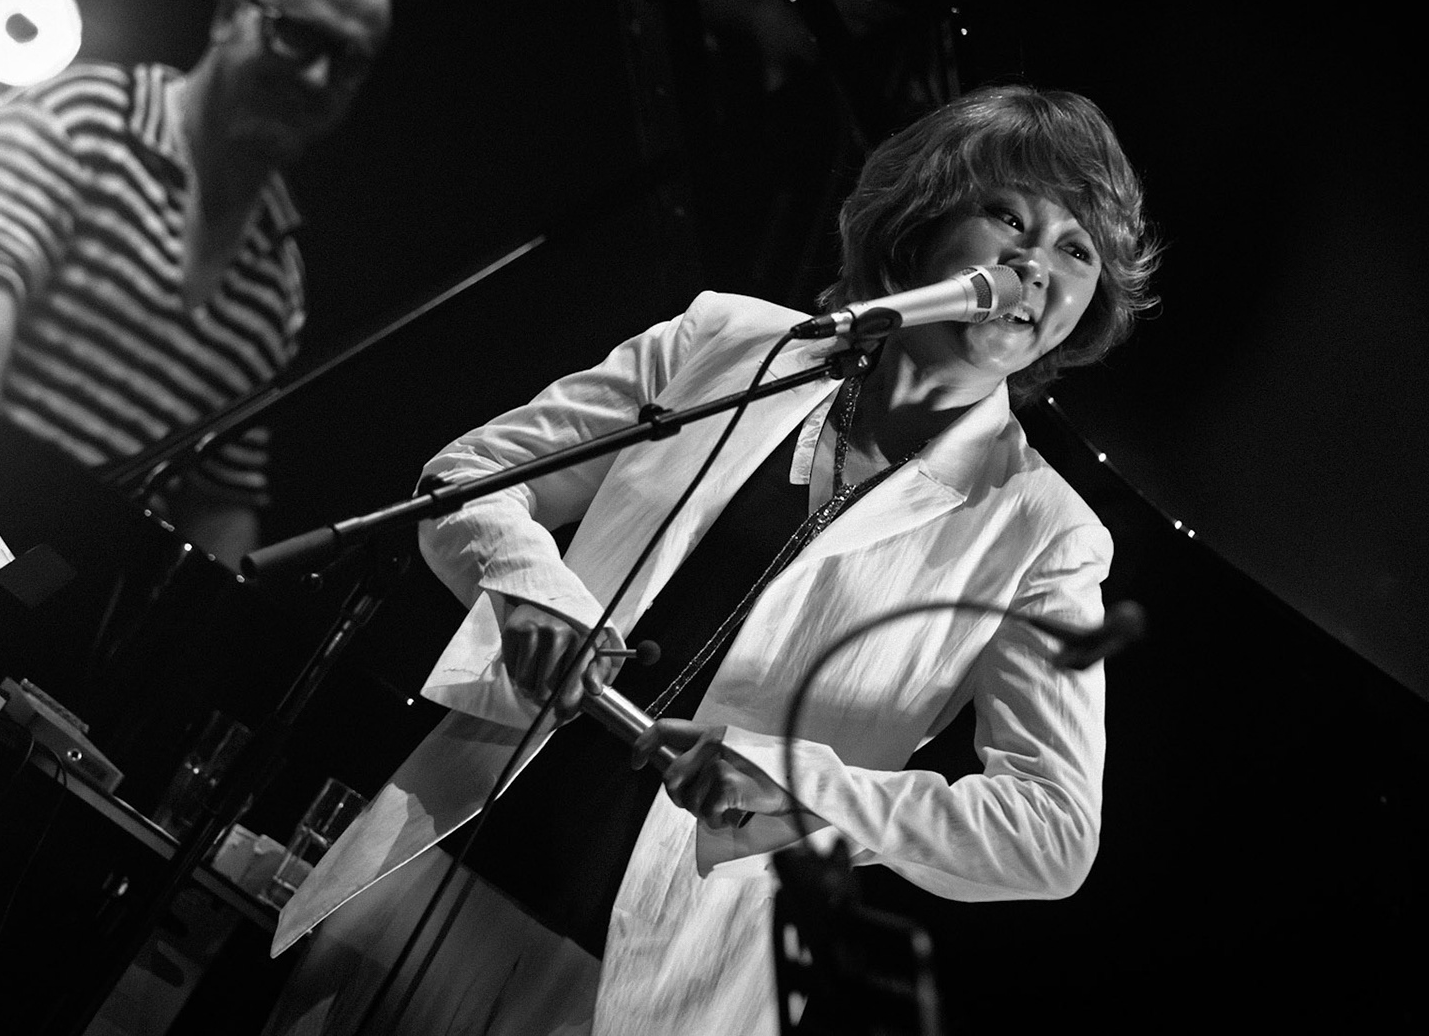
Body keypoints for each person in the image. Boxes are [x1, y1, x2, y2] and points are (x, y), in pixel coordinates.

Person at [262, 85, 1160, 1035]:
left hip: (657, 987)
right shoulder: (729, 344)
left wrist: (803, 784)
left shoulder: (1045, 534)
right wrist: (527, 590)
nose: (1034, 263)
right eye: (1008, 216)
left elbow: (1050, 832)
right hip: (436, 859)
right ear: (924, 221)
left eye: (1077, 250)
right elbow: (473, 477)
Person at [0, 0, 392, 567]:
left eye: (346, 62)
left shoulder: (276, 279)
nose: (317, 76)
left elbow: (218, 500)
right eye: (299, 37)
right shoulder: (82, 120)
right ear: (230, 14)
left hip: (33, 599)